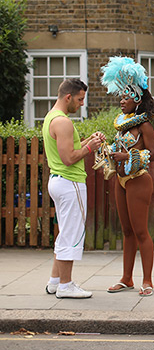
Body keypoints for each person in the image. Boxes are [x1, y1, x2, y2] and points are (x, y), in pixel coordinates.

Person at [101, 57, 154, 297]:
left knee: (140, 231)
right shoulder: (122, 124)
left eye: (125, 97)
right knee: (125, 231)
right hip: (121, 181)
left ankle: (147, 281)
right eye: (120, 97)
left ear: (137, 99)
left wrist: (126, 158)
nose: (121, 101)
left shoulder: (144, 125)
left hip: (138, 180)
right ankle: (127, 278)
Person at [43, 79, 105, 298]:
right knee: (72, 234)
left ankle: (55, 281)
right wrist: (90, 147)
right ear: (68, 97)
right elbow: (69, 158)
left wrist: (90, 140)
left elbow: (70, 149)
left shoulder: (51, 117)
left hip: (58, 181)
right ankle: (66, 286)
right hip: (70, 182)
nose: (81, 104)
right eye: (79, 99)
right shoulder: (64, 122)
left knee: (64, 232)